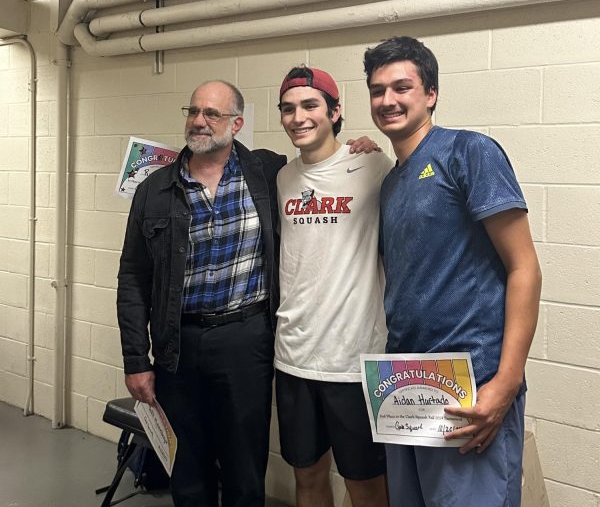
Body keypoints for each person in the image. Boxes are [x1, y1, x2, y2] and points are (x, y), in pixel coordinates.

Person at [117, 79, 379, 507]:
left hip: (246, 339)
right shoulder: (155, 189)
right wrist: (135, 359)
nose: (200, 122)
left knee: (244, 467)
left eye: (213, 114)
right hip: (176, 345)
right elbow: (132, 278)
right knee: (187, 468)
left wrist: (358, 146)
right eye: (193, 111)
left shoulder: (266, 171)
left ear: (237, 123)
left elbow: (320, 161)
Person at [363, 36, 542, 506]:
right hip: (407, 386)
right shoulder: (390, 183)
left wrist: (505, 382)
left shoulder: (470, 152)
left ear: (431, 94)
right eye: (377, 90)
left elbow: (524, 267)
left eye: (402, 87)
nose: (388, 100)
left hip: (472, 388)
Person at [274, 66, 392, 507]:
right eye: (288, 108)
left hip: (354, 361)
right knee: (307, 476)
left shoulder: (373, 165)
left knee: (366, 485)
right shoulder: (283, 178)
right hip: (294, 357)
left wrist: (372, 144)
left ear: (335, 111)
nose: (298, 117)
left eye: (310, 105)